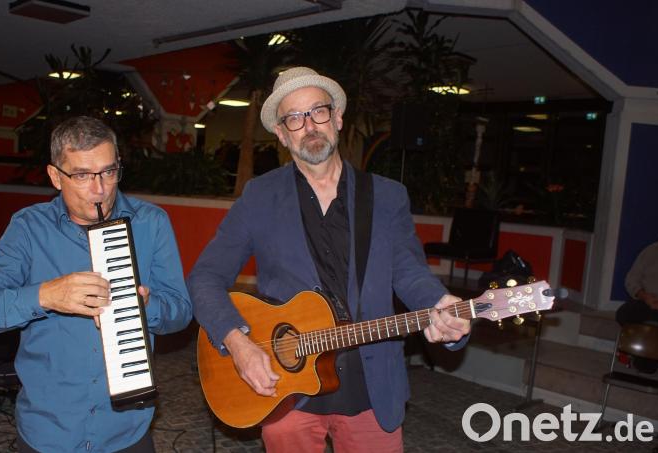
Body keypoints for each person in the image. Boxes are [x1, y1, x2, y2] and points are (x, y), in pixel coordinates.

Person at [188, 67, 471, 452]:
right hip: (286, 390)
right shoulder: (259, 197)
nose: (309, 126)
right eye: (294, 118)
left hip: (371, 386)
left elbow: (409, 272)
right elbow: (205, 277)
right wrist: (238, 344)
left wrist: (440, 306)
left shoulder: (387, 197)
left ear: (337, 118)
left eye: (318, 111)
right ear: (282, 134)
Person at [0, 116, 192, 452]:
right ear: (56, 176)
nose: (100, 189)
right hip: (49, 430)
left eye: (109, 172)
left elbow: (181, 312)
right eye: (82, 175)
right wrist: (46, 295)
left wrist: (147, 306)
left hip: (126, 430)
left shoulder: (151, 222)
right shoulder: (28, 227)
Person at [615, 232, 658, 372]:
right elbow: (631, 280)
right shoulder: (651, 251)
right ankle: (634, 350)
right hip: (646, 302)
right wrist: (644, 296)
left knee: (647, 368)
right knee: (624, 313)